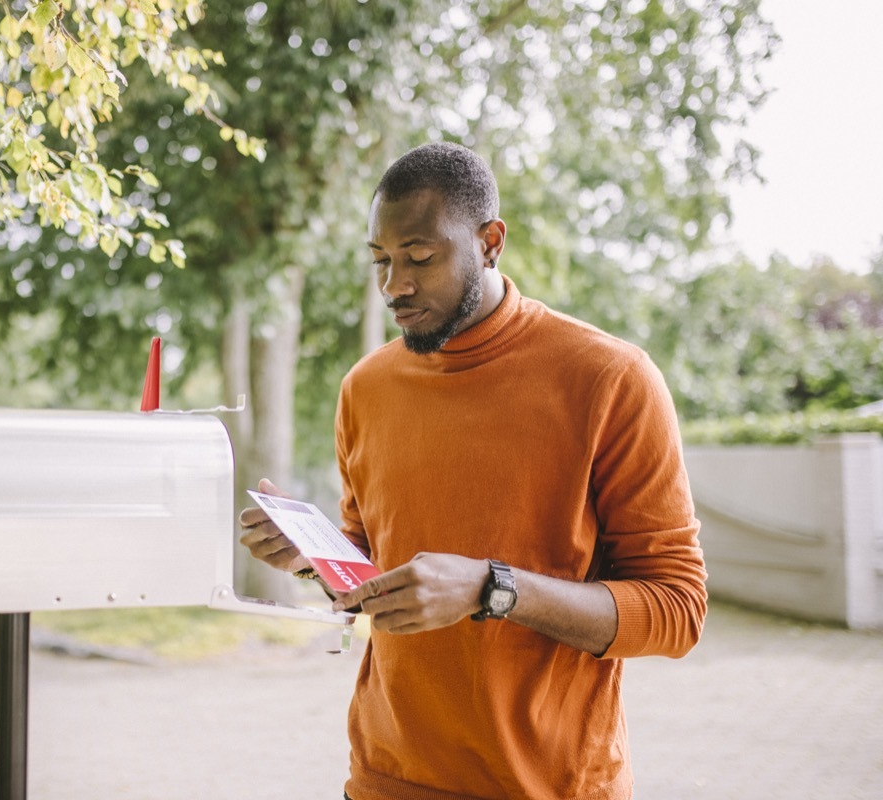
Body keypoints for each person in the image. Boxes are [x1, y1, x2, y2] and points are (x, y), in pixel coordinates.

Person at [238, 142, 706, 800]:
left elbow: (678, 611)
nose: (395, 286)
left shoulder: (611, 380)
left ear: (490, 242)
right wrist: (315, 557)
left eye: (420, 258)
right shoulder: (365, 388)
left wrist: (494, 588)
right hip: (383, 780)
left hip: (549, 787)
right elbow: (376, 571)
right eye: (381, 261)